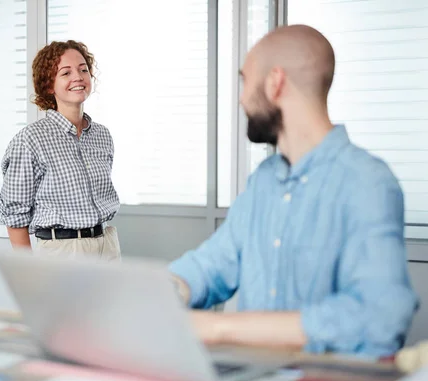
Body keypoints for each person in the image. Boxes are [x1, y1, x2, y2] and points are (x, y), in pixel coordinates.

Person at [169, 25, 419, 356]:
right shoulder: (264, 181)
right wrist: (163, 293)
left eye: (246, 81)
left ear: (275, 83)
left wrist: (218, 328)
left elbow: (380, 317)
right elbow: (212, 265)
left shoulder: (366, 181)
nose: (242, 98)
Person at [0, 40, 121, 260]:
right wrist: (30, 271)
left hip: (107, 244)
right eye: (66, 72)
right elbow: (15, 214)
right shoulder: (31, 139)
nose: (78, 77)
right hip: (62, 251)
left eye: (83, 69)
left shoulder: (102, 136)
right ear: (49, 85)